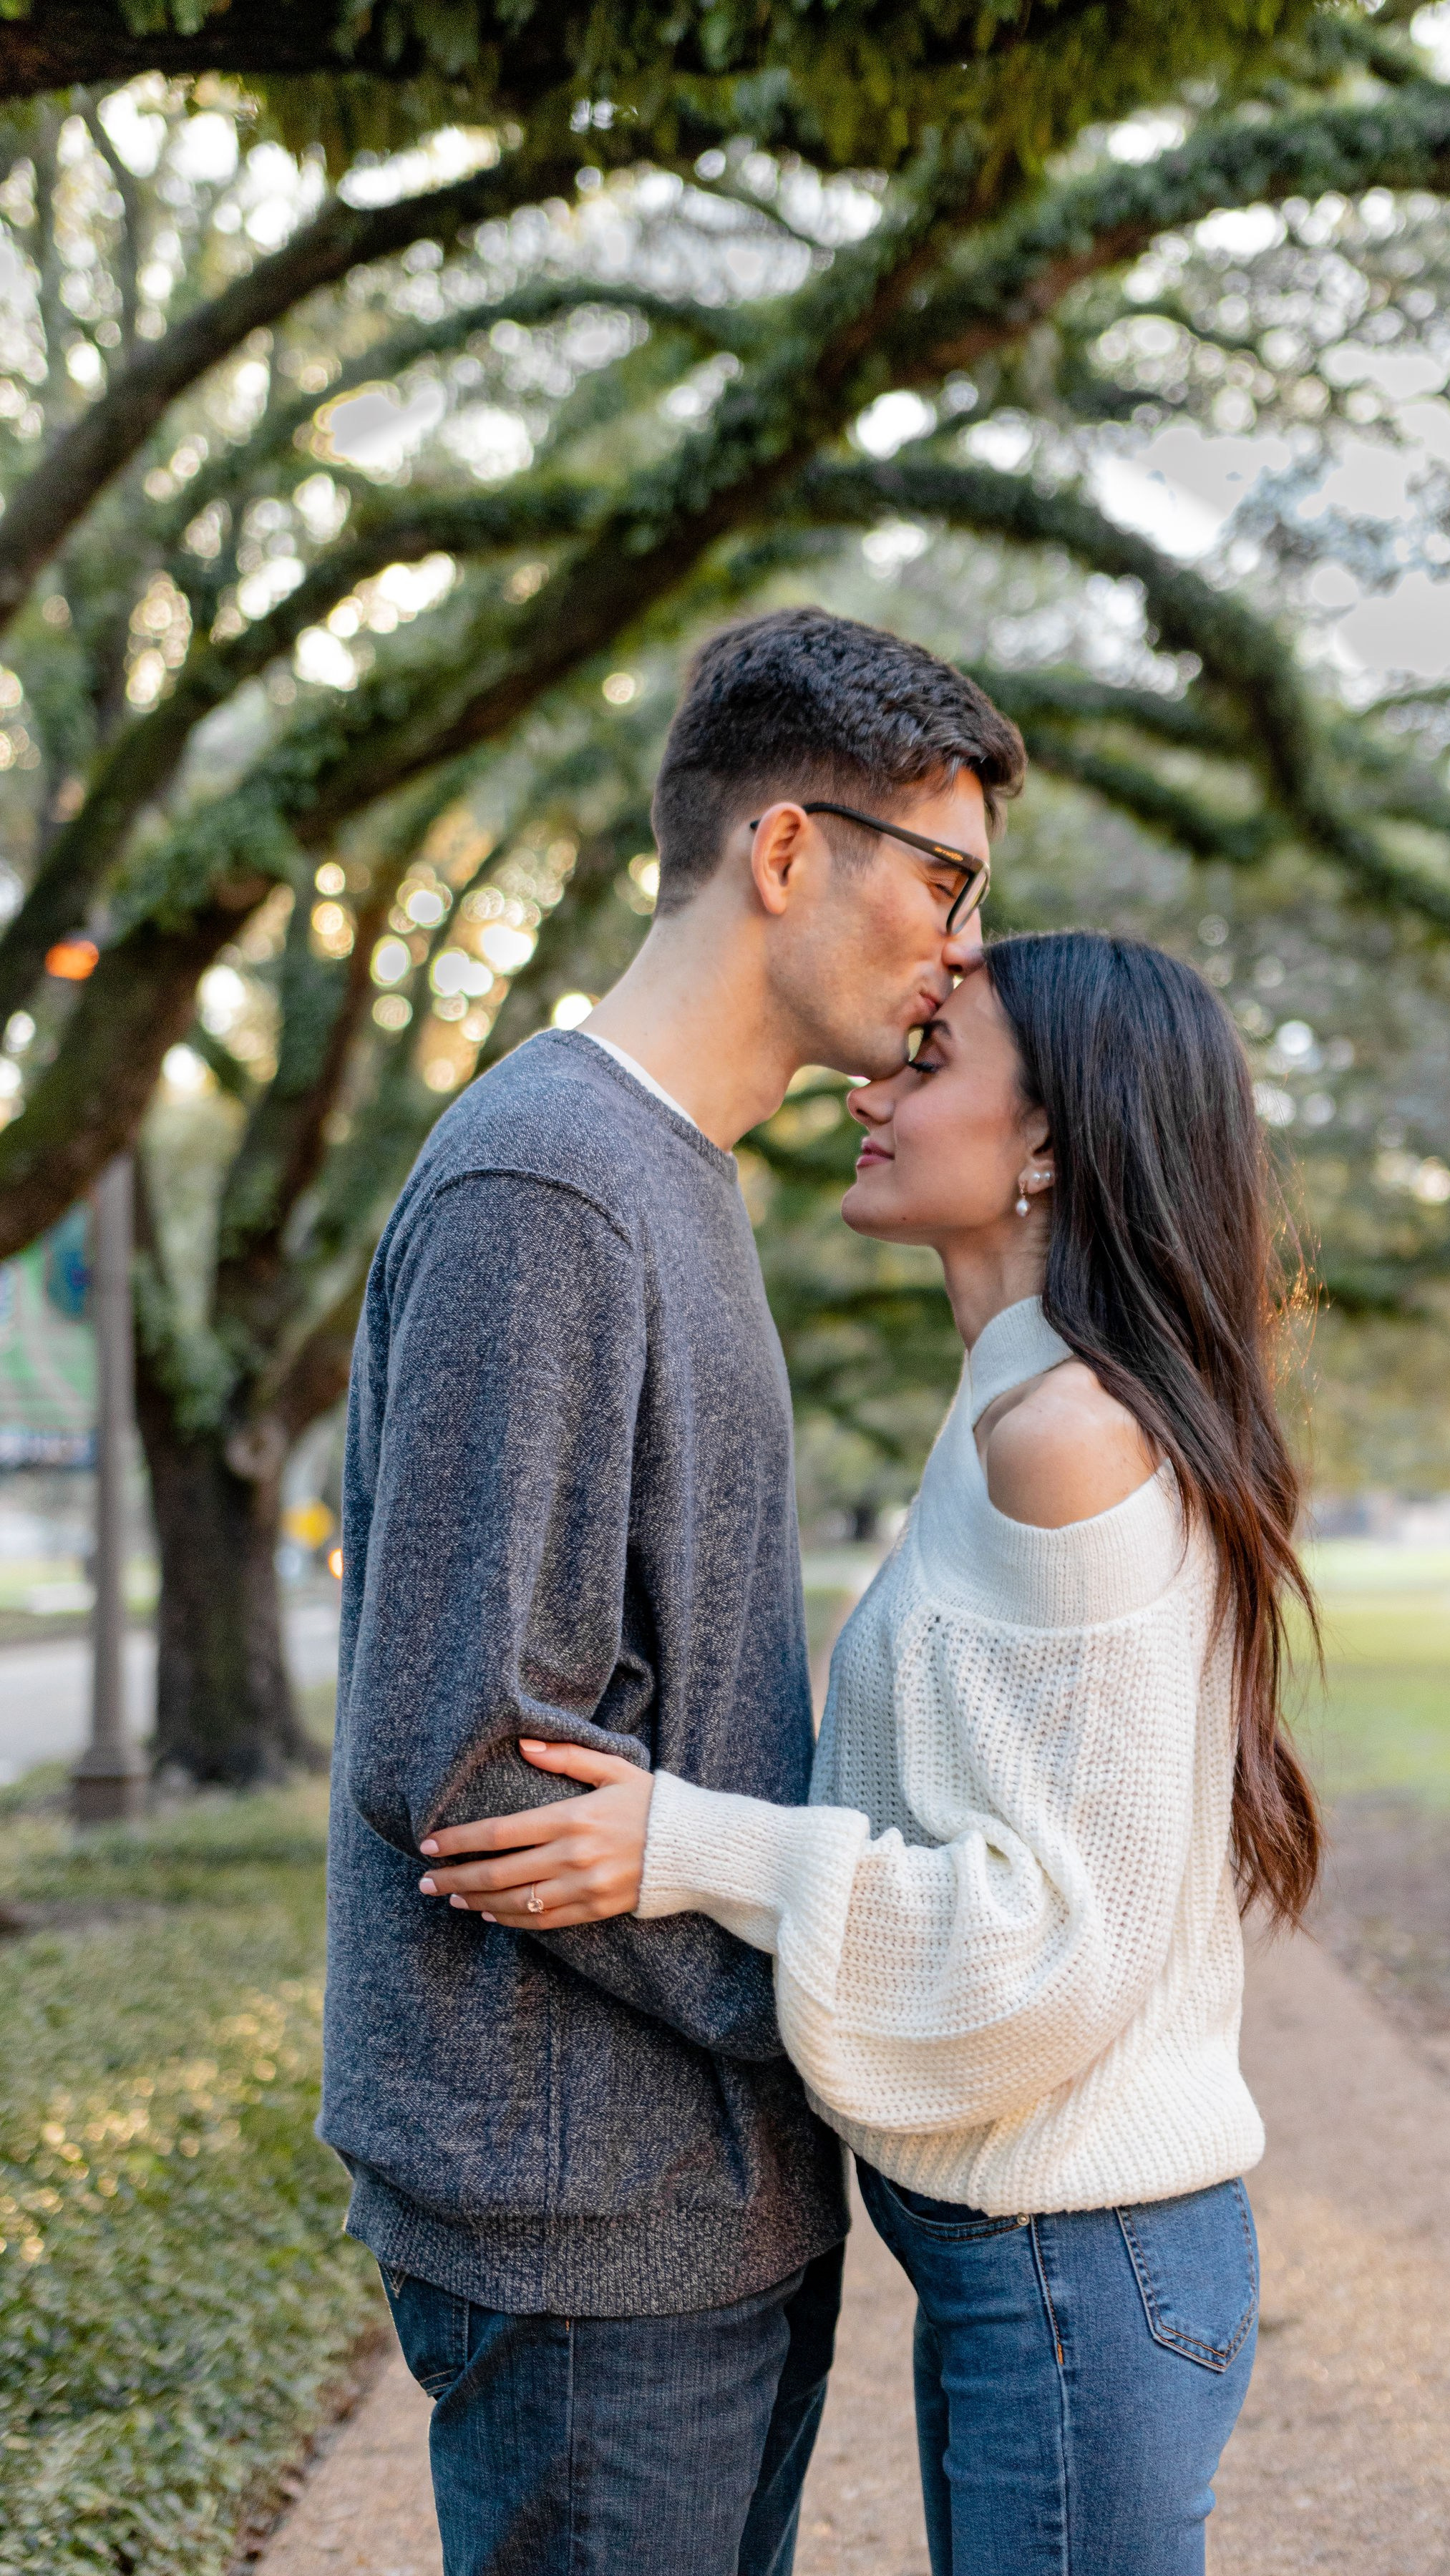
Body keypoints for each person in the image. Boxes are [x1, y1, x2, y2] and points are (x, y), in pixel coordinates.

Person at [417, 927, 1325, 2576]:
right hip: (1044, 2264)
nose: (867, 1091)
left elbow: (1056, 1937)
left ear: (1046, 1144)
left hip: (1078, 2268)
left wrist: (689, 1844)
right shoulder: (1019, 1408)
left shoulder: (1070, 1441)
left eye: (930, 1062)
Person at [319, 606, 1027, 2576]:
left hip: (702, 2189)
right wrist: (815, 1980)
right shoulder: (550, 1184)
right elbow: (476, 1762)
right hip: (585, 2210)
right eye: (945, 877)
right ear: (784, 849)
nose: (966, 946)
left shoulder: (674, 1178)